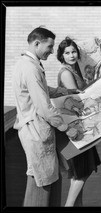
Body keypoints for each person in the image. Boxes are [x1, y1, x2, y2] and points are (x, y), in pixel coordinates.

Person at [12, 27, 80, 206]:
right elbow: (44, 107)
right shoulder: (30, 68)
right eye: (49, 46)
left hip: (36, 129)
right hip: (36, 131)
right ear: (36, 43)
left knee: (46, 178)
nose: (51, 51)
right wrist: (66, 128)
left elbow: (43, 90)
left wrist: (66, 91)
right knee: (41, 182)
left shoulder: (26, 64)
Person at [56, 36, 101, 206]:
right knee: (82, 171)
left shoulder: (75, 71)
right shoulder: (67, 73)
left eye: (73, 51)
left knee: (78, 172)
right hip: (76, 125)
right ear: (62, 56)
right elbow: (77, 99)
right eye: (67, 53)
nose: (71, 55)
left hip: (79, 124)